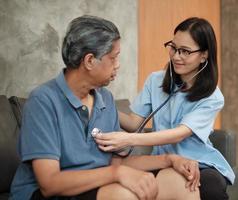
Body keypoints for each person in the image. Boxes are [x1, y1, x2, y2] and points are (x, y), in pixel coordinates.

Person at [10, 15, 201, 200]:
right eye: (113, 58)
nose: (117, 66)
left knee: (180, 183)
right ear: (90, 61)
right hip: (47, 193)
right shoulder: (43, 101)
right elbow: (50, 183)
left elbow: (117, 163)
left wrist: (170, 159)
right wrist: (117, 173)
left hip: (96, 186)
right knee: (125, 195)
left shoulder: (105, 99)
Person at [94, 17, 235, 200]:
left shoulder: (213, 97)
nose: (176, 56)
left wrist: (128, 139)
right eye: (173, 48)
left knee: (209, 187)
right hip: (161, 161)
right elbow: (134, 123)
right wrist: (101, 103)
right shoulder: (155, 81)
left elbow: (179, 134)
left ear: (204, 55)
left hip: (199, 162)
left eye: (185, 51)